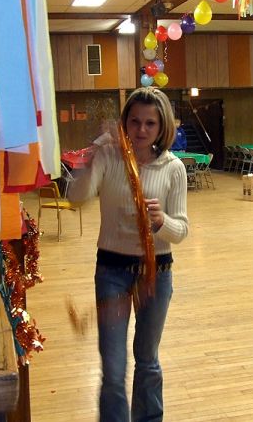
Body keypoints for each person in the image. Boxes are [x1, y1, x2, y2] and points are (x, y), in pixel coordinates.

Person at [68, 87, 189, 422]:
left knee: (147, 361)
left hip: (156, 274)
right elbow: (77, 196)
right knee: (113, 368)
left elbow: (181, 230)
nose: (141, 130)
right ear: (124, 123)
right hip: (112, 271)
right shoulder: (109, 157)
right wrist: (94, 153)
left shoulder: (173, 168)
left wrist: (162, 221)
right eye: (134, 122)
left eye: (150, 123)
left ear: (162, 127)